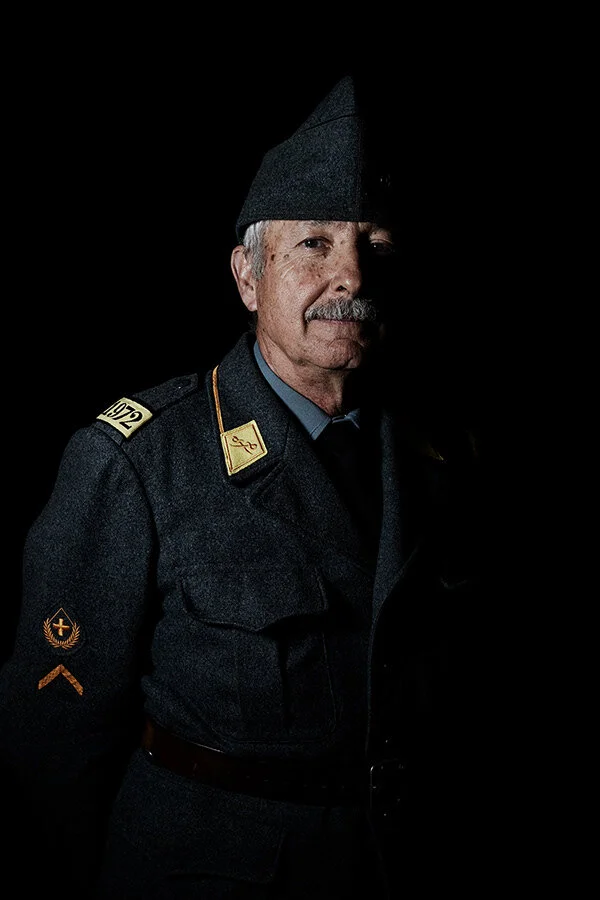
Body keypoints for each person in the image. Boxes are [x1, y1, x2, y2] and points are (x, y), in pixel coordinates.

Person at [0, 73, 487, 898]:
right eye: (314, 245)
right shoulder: (139, 462)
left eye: (374, 246)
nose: (352, 277)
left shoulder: (446, 459)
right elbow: (54, 744)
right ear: (248, 276)